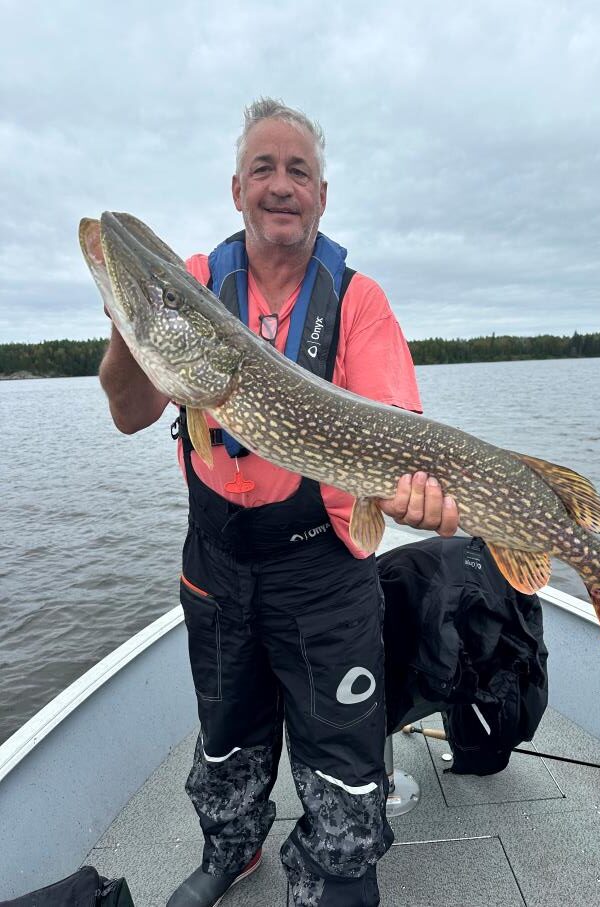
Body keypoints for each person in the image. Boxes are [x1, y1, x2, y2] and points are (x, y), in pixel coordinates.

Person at [99, 98, 459, 907]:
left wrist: (419, 496)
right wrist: (128, 320)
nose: (281, 184)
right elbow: (129, 411)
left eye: (299, 170)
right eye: (264, 167)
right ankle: (232, 846)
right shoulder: (194, 287)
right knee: (228, 729)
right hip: (218, 562)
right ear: (237, 189)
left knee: (341, 748)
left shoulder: (359, 301)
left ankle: (334, 870)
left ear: (322, 196)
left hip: (324, 573)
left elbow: (398, 431)